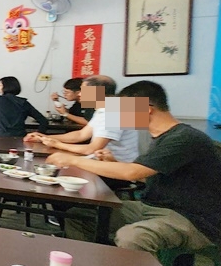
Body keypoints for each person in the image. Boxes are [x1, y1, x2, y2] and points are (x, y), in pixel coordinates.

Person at [48, 81, 221, 255]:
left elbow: (132, 172)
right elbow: (145, 177)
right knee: (79, 216)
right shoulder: (161, 136)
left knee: (132, 237)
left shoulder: (184, 138)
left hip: (190, 218)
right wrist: (113, 162)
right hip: (151, 207)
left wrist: (73, 160)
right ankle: (86, 264)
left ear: (146, 109)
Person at [25, 75, 140, 163]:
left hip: (117, 166)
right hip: (104, 161)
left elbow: (92, 149)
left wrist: (57, 144)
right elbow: (80, 135)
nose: (79, 95)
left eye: (82, 91)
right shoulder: (109, 107)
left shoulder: (116, 110)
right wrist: (43, 137)